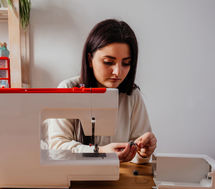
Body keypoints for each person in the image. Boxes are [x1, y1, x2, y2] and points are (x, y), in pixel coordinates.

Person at [45, 19, 157, 163]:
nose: (118, 72)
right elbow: (57, 148)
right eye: (108, 62)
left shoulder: (132, 96)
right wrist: (100, 152)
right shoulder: (67, 89)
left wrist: (143, 152)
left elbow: (138, 157)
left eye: (126, 63)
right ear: (90, 59)